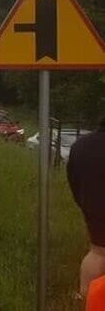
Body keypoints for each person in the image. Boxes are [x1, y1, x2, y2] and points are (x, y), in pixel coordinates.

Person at [67, 117, 105, 300]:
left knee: (98, 251)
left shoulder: (81, 145)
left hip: (93, 206)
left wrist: (82, 201)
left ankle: (86, 295)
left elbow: (72, 177)